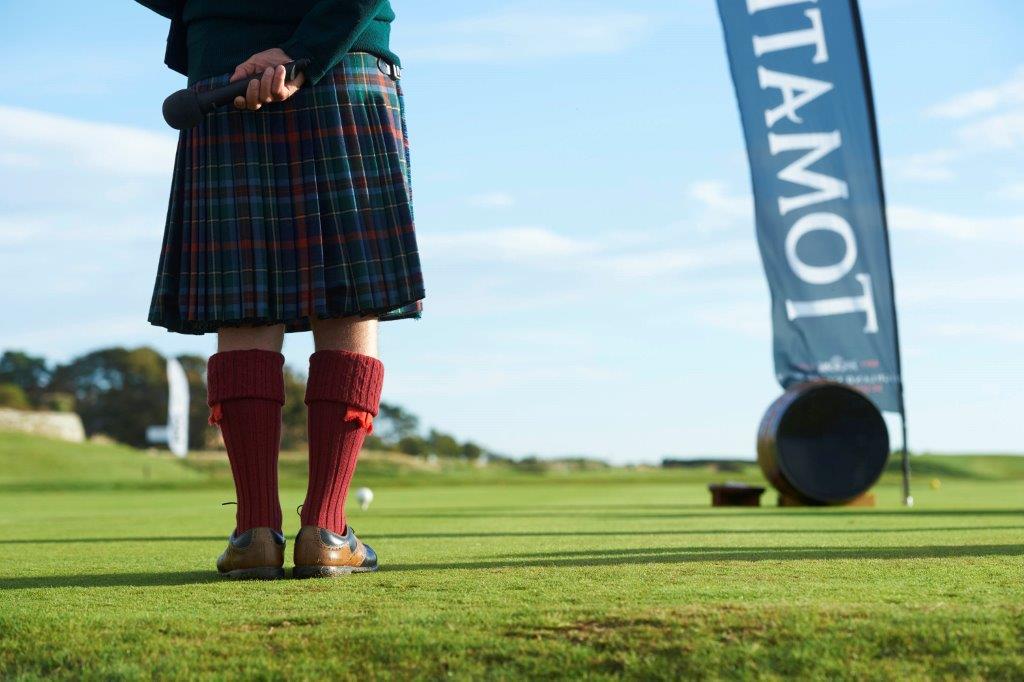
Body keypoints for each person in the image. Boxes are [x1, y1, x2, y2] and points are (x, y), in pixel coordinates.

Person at [135, 0, 424, 579]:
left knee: (243, 303)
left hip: (223, 72)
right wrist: (303, 51)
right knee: (349, 296)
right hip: (338, 64)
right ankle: (325, 530)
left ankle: (255, 536)